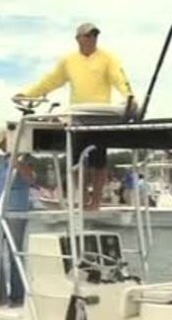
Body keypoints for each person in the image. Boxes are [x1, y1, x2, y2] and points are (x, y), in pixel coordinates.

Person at [13, 22, 135, 211]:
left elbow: (119, 78)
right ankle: (83, 198)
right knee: (76, 161)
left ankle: (95, 201)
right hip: (77, 115)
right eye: (87, 36)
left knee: (98, 159)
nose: (92, 39)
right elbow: (50, 80)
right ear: (78, 39)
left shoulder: (108, 58)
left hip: (101, 116)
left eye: (94, 36)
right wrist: (28, 94)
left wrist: (129, 96)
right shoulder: (69, 61)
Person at [0, 123, 34, 308]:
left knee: (15, 252)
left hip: (15, 209)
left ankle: (17, 296)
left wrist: (18, 164)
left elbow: (31, 179)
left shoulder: (25, 157)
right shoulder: (0, 161)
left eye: (1, 142)